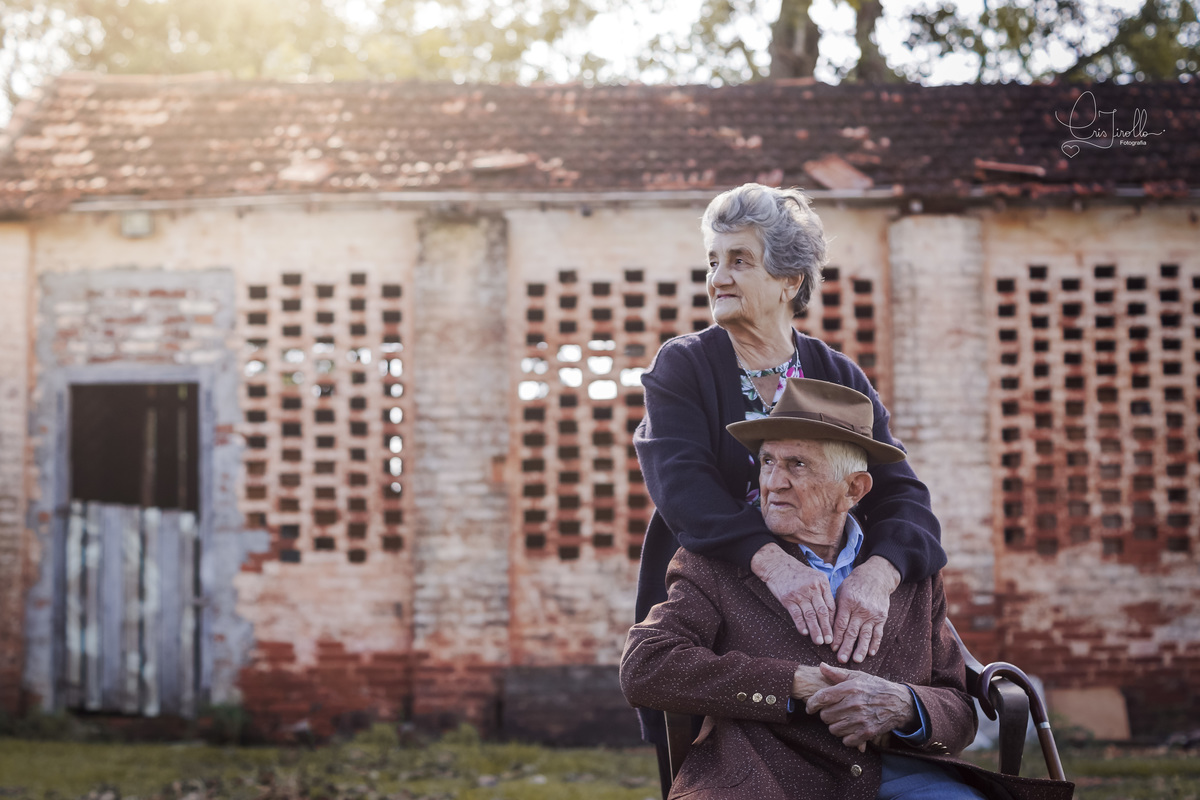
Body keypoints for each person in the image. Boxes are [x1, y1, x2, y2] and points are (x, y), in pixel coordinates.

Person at [621, 379, 1073, 800]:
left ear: (854, 488)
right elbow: (647, 665)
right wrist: (796, 682)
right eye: (768, 462)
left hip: (900, 775)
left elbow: (958, 705)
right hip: (762, 776)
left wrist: (906, 706)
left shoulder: (907, 574)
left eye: (797, 464)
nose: (773, 483)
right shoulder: (715, 562)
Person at [633, 183, 946, 785]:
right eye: (713, 261)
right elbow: (681, 487)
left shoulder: (836, 375)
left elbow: (901, 494)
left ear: (790, 281)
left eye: (740, 260)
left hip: (830, 615)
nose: (718, 277)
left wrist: (878, 576)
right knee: (730, 775)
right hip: (718, 611)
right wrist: (774, 564)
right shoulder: (686, 365)